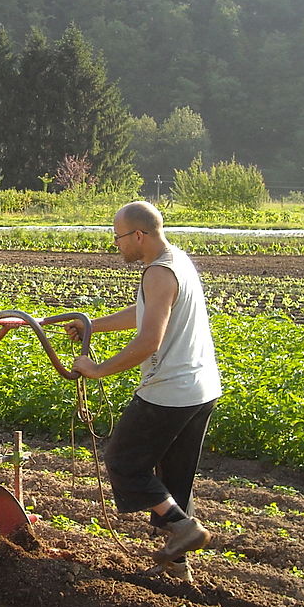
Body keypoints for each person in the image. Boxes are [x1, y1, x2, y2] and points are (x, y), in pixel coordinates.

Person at [66, 200, 221, 582]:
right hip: (201, 389)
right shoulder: (177, 260)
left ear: (138, 235)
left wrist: (97, 369)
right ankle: (178, 567)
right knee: (173, 481)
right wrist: (92, 327)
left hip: (169, 390)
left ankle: (185, 531)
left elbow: (150, 339)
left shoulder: (157, 272)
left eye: (118, 237)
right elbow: (148, 312)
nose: (117, 245)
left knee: (123, 461)